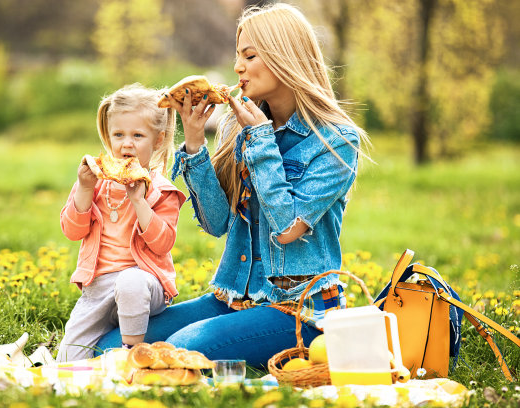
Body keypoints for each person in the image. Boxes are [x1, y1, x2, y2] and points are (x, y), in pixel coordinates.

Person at [96, 2, 371, 367]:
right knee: (113, 345)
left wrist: (260, 139)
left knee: (183, 348)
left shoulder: (336, 142)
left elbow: (288, 228)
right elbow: (217, 224)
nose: (238, 66)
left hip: (299, 309)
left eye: (250, 55)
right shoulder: (241, 126)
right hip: (235, 297)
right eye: (237, 56)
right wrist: (194, 144)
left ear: (284, 57)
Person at [56, 84, 186, 362]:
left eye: (137, 135)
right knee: (67, 361)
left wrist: (140, 202)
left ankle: (131, 354)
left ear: (158, 140)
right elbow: (71, 230)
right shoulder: (95, 185)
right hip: (98, 288)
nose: (127, 143)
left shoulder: (161, 190)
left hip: (144, 285)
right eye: (119, 135)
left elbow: (163, 243)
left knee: (130, 281)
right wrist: (84, 189)